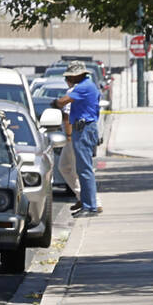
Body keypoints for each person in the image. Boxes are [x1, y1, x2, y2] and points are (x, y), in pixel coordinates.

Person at [54, 61, 101, 217]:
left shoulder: (82, 87)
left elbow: (63, 101)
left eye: (70, 77)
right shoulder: (89, 85)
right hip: (85, 128)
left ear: (78, 75)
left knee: (85, 169)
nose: (68, 80)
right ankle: (87, 204)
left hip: (84, 129)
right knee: (82, 169)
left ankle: (91, 206)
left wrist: (55, 103)